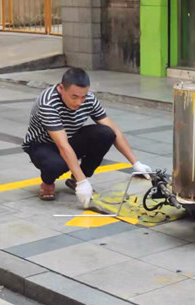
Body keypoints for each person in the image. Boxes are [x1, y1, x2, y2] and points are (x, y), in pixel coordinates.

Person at [22, 68, 151, 207]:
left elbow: (114, 130)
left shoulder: (88, 98)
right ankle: (48, 181)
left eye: (83, 97)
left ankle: (75, 180)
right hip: (42, 144)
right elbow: (63, 146)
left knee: (106, 133)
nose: (79, 102)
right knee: (57, 164)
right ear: (61, 88)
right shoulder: (48, 103)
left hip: (69, 138)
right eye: (74, 97)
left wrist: (136, 163)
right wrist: (83, 182)